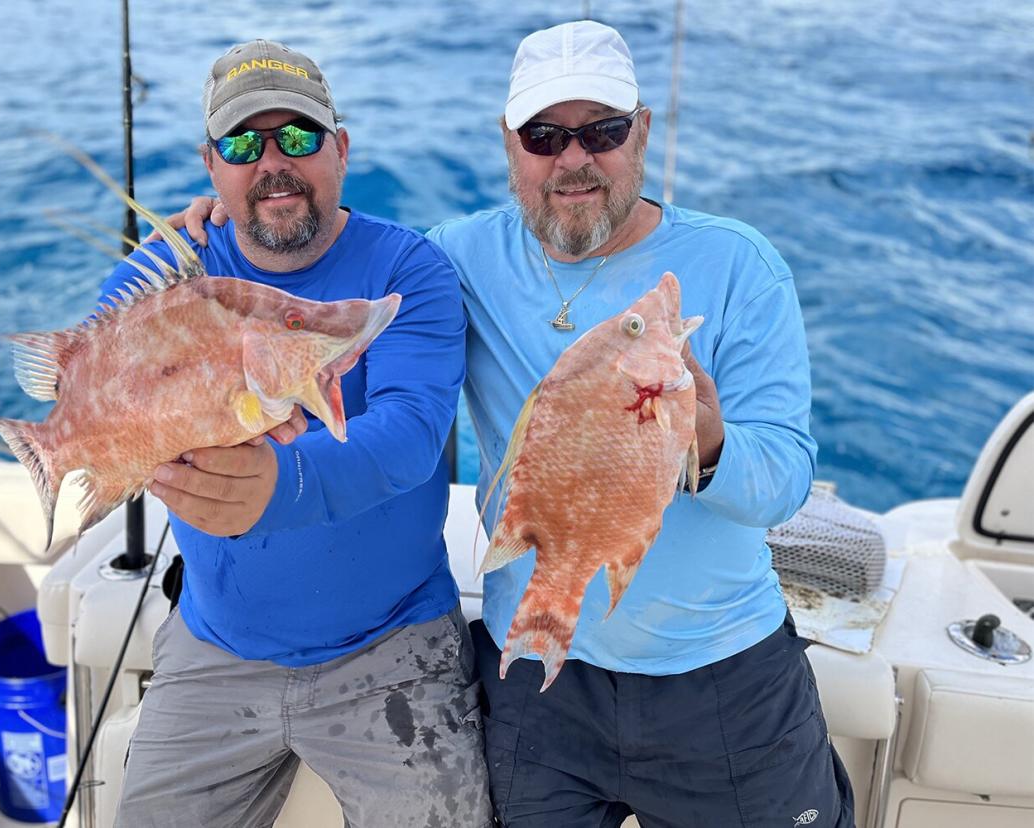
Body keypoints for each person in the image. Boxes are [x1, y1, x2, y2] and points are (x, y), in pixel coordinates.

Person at [171, 21, 854, 828]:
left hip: (719, 671)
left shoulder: (740, 263)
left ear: (641, 132)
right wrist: (229, 229)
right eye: (544, 136)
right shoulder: (456, 259)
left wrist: (706, 442)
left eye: (601, 131)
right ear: (511, 145)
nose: (573, 159)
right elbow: (337, 267)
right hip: (533, 673)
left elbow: (784, 481)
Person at [102, 39, 490, 828]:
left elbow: (412, 433)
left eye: (299, 137)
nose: (273, 161)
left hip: (395, 651)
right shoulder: (169, 271)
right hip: (215, 646)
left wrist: (283, 485)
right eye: (245, 144)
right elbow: (100, 393)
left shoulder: (407, 270)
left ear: (340, 150)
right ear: (212, 166)